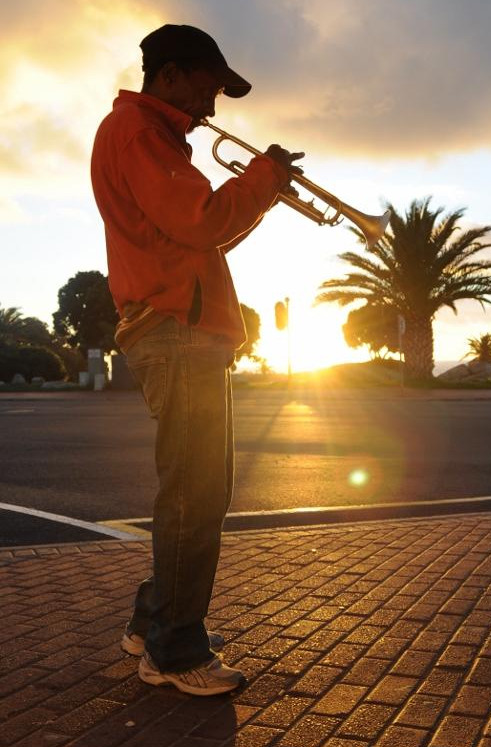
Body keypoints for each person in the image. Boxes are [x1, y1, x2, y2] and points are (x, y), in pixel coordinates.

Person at [91, 24, 302, 696]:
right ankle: (175, 653)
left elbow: (206, 237)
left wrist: (262, 193)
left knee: (198, 493)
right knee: (195, 495)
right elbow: (204, 222)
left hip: (182, 328)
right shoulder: (139, 132)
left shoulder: (151, 137)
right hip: (176, 330)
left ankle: (152, 623)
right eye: (209, 87)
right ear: (172, 75)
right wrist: (263, 177)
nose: (212, 105)